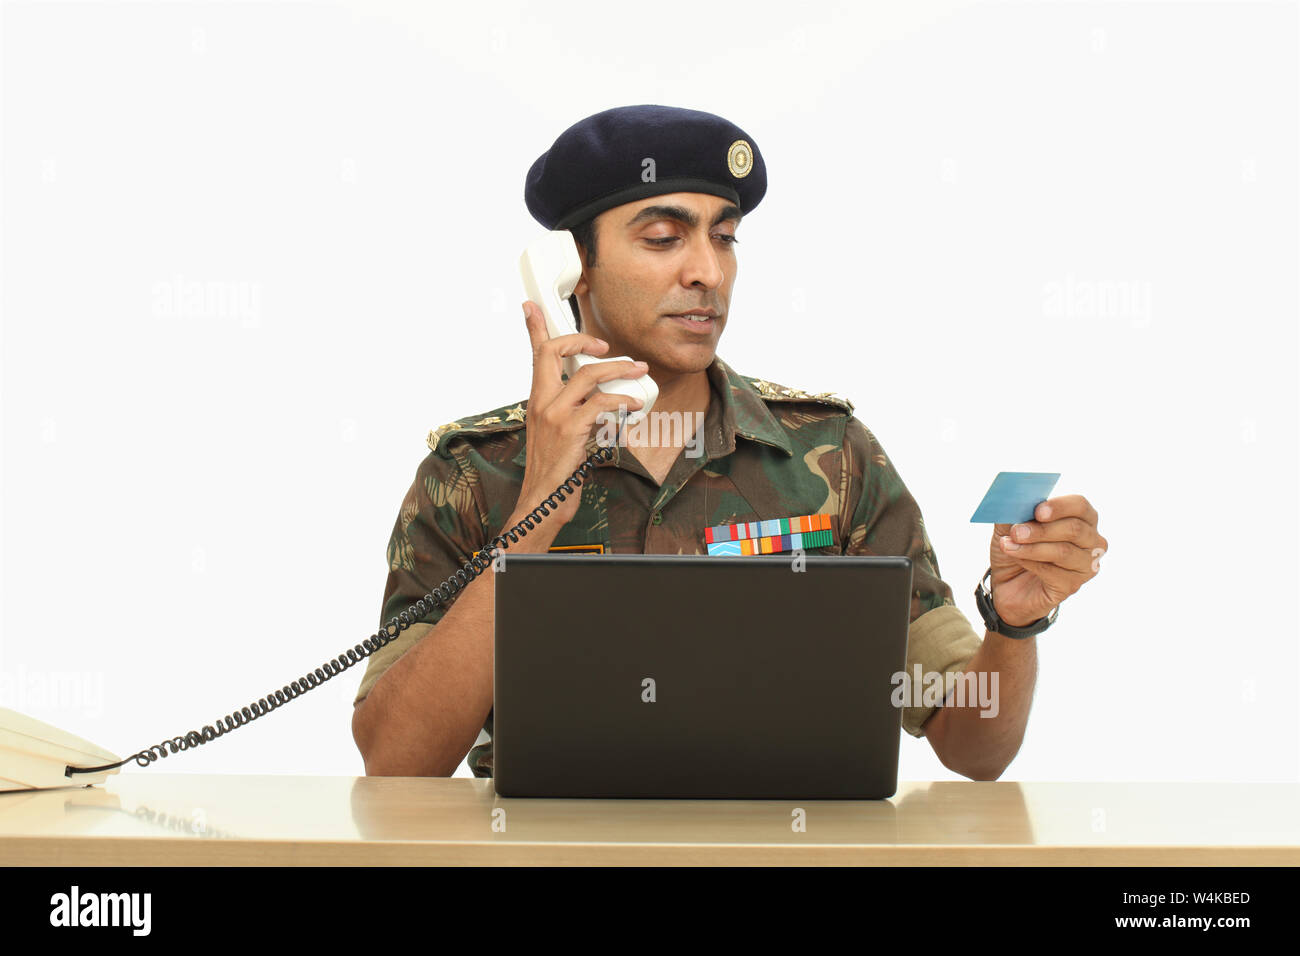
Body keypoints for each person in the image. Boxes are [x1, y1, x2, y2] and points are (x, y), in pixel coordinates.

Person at [351, 105, 1108, 781]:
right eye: (662, 237)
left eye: (725, 238)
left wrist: (1012, 625)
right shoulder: (472, 474)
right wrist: (537, 513)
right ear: (570, 268)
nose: (707, 272)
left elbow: (970, 748)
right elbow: (398, 763)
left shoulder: (835, 454)